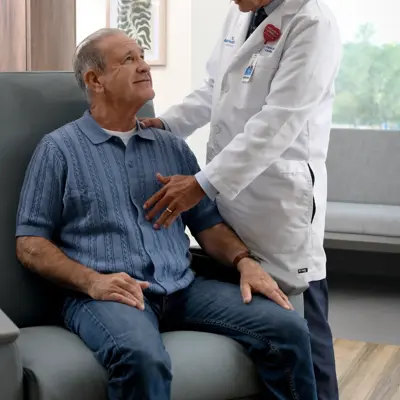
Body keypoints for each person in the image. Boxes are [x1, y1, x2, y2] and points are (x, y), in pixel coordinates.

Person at [15, 29, 318, 400]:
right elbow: (30, 244)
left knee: (288, 328)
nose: (144, 66)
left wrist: (244, 260)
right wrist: (92, 281)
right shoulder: (59, 150)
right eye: (129, 60)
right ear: (95, 80)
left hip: (182, 288)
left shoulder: (172, 148)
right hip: (106, 296)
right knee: (141, 357)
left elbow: (208, 225)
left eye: (142, 56)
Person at [140, 0, 342, 399]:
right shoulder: (242, 12)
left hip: (278, 204)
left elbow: (278, 121)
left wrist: (201, 184)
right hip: (232, 200)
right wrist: (166, 124)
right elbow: (214, 89)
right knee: (254, 319)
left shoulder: (312, 23)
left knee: (301, 322)